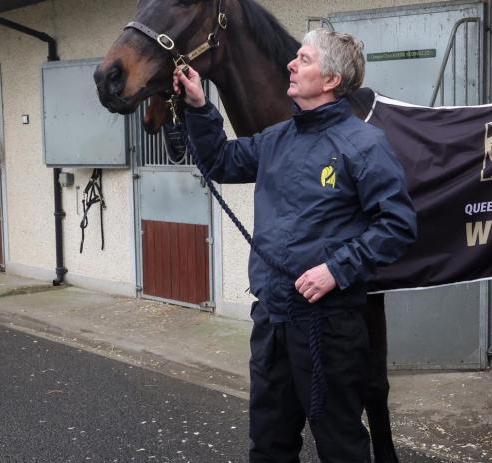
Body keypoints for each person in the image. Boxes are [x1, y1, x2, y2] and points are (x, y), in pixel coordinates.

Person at [173, 29, 417, 463]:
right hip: (272, 318)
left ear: (331, 81)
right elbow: (220, 162)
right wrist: (198, 106)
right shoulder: (276, 139)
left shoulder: (363, 145)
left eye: (303, 59)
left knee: (341, 444)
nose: (291, 64)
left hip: (329, 326)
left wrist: (336, 270)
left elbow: (397, 225)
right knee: (268, 443)